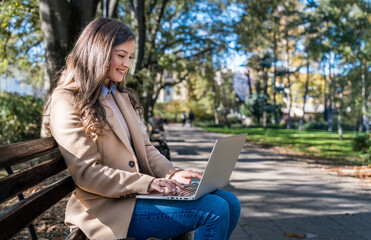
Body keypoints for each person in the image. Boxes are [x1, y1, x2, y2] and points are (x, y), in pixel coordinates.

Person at [43, 17, 240, 240]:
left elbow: (145, 149)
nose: (127, 64)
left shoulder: (118, 96)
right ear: (98, 52)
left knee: (230, 202)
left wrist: (172, 173)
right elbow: (88, 173)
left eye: (130, 57)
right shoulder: (66, 100)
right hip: (105, 208)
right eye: (121, 55)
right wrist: (149, 184)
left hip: (135, 196)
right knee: (215, 210)